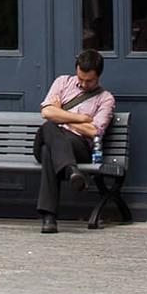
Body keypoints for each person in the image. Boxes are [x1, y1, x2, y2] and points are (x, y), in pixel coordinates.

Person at [34, 45, 116, 232]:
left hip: (77, 146)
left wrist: (61, 115)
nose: (85, 84)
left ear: (99, 76)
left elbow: (94, 130)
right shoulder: (62, 82)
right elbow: (47, 113)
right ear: (76, 71)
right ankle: (71, 170)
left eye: (90, 81)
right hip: (51, 137)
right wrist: (79, 118)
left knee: (50, 150)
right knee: (48, 128)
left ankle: (49, 218)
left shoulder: (105, 99)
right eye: (81, 79)